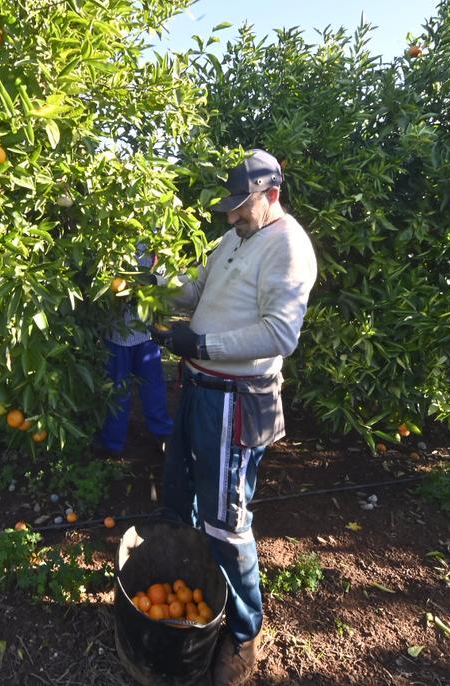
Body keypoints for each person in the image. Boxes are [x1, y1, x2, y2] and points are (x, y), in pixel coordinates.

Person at [152, 149, 317, 686]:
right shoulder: (235, 238)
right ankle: (204, 597)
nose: (232, 216)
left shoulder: (288, 248)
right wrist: (153, 268)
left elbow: (279, 334)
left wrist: (202, 341)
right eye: (229, 208)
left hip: (236, 399)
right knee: (186, 498)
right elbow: (195, 290)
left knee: (226, 517)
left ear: (272, 195)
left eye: (241, 207)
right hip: (200, 388)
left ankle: (247, 633)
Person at [94, 244, 173, 455]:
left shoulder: (155, 238)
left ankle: (162, 434)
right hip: (116, 332)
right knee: (118, 390)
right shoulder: (111, 240)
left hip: (145, 331)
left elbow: (161, 277)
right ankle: (113, 443)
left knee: (152, 386)